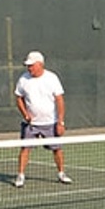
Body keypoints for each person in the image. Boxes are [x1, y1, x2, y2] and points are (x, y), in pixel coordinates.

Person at [13, 51, 71, 187]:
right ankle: (20, 175)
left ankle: (61, 173)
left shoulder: (52, 78)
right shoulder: (23, 79)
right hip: (30, 124)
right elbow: (18, 98)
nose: (29, 68)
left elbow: (60, 100)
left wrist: (60, 122)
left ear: (40, 64)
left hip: (50, 123)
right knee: (25, 149)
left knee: (57, 149)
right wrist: (25, 115)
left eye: (31, 65)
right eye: (28, 66)